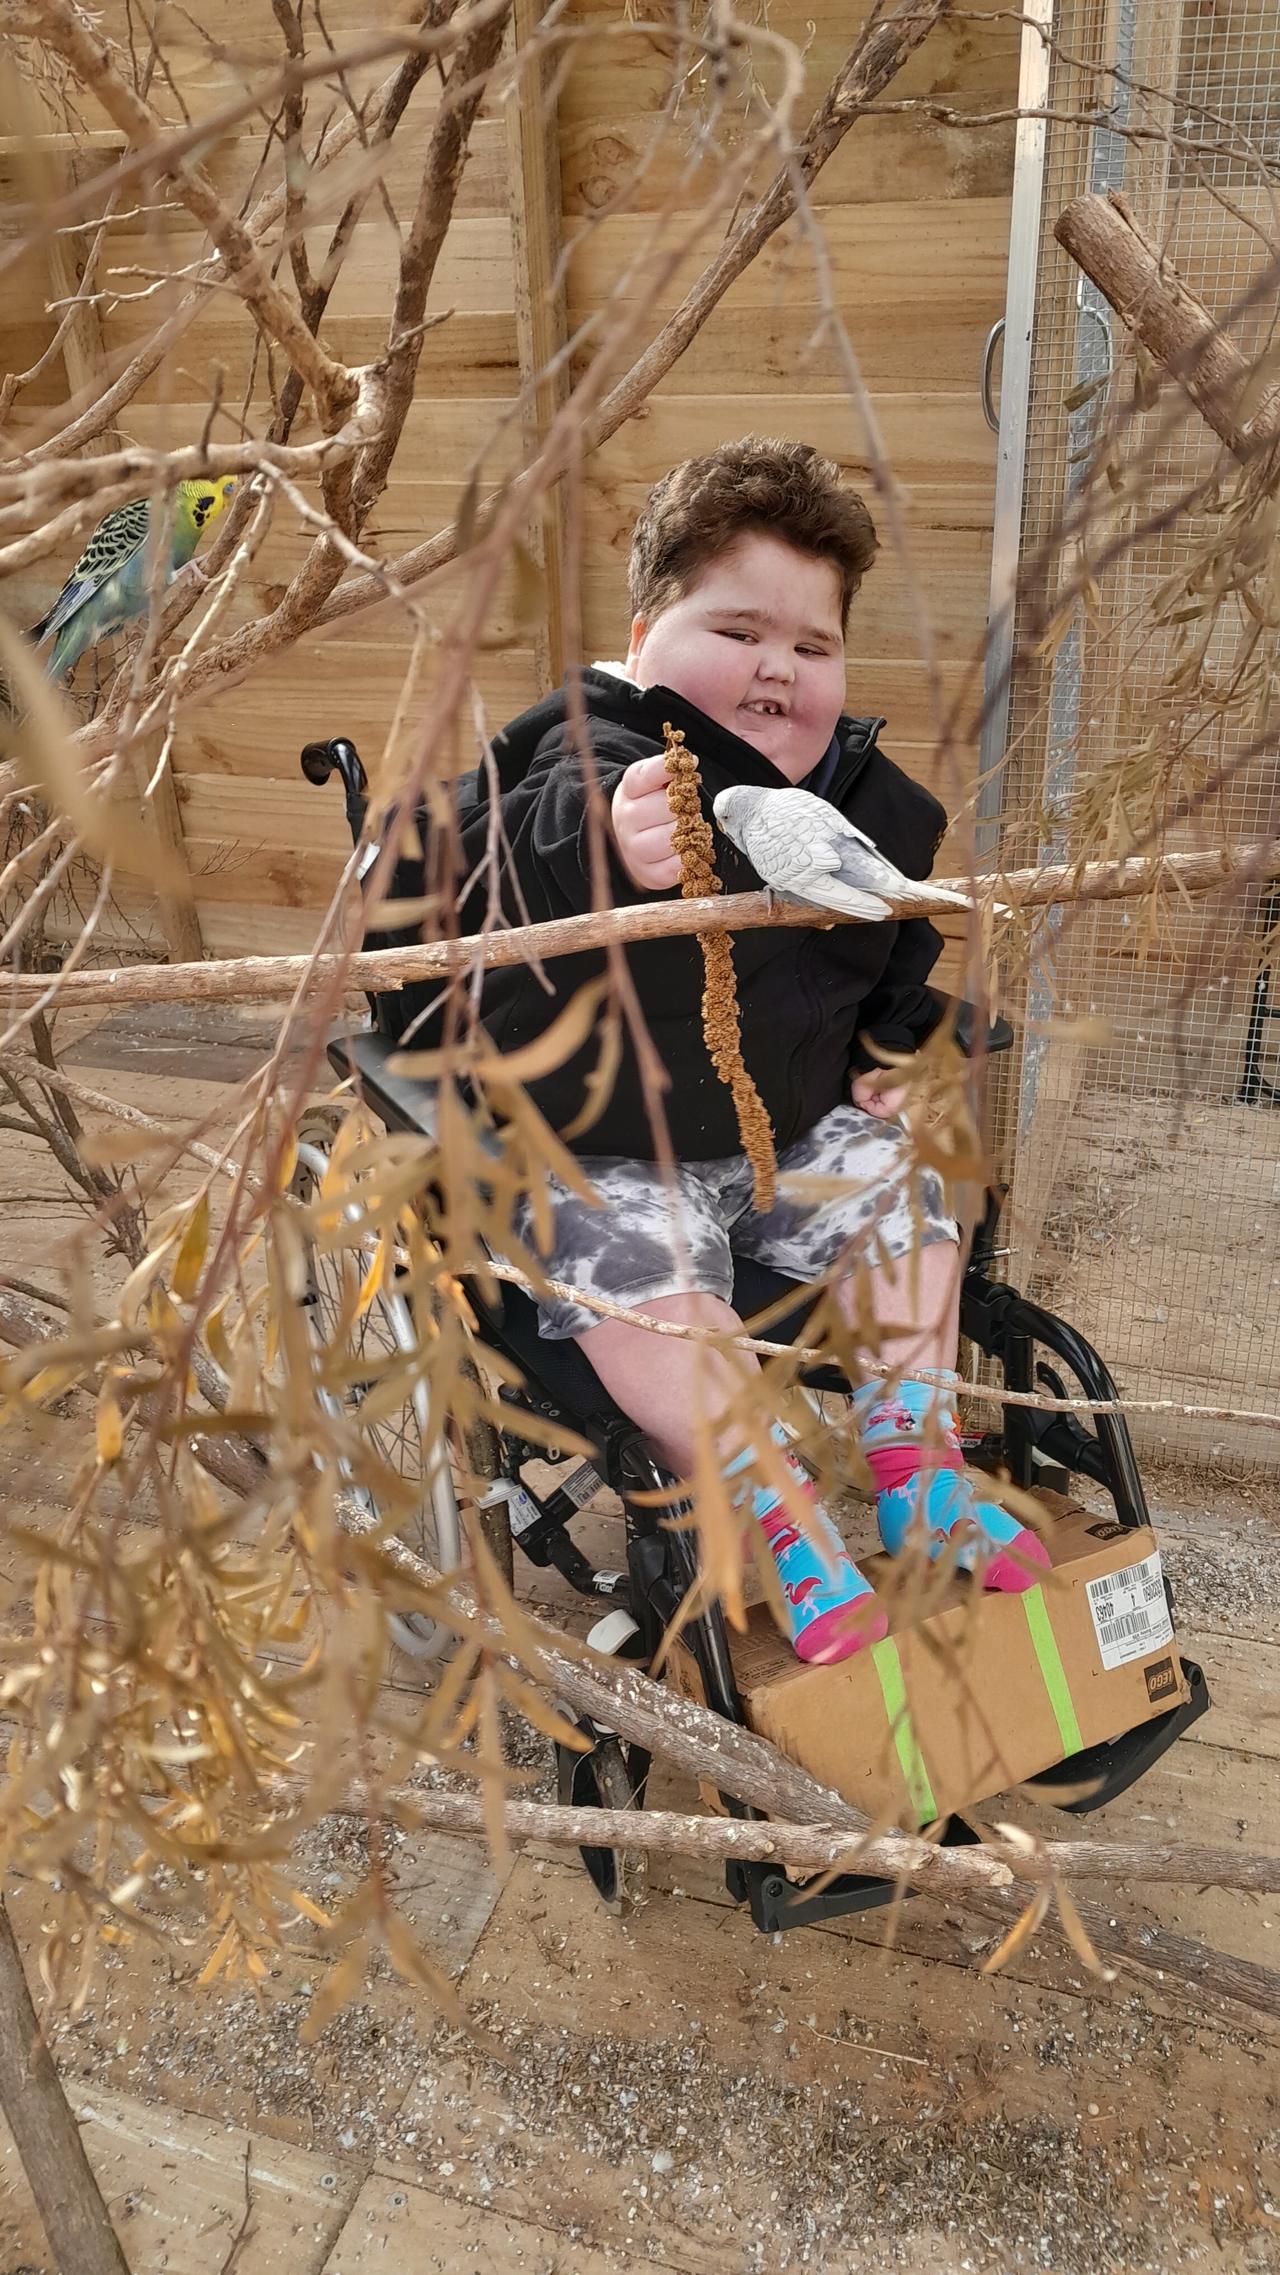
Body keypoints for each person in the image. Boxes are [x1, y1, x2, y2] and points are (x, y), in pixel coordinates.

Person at [390, 436, 1048, 1661]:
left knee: (913, 1180)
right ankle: (773, 1507)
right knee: (632, 1271)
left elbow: (891, 954)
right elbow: (481, 853)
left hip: (780, 1130)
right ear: (645, 636)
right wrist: (595, 837)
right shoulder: (587, 755)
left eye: (811, 646)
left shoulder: (870, 803)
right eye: (737, 631)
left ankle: (915, 1462)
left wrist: (898, 1048)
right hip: (602, 1144)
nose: (774, 667)